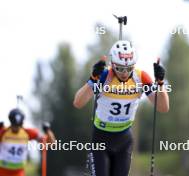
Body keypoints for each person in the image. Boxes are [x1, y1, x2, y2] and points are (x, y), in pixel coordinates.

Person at [73, 40, 169, 176]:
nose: (124, 73)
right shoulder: (104, 76)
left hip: (124, 140)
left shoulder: (141, 77)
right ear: (112, 64)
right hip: (101, 139)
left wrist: (160, 83)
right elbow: (78, 102)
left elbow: (163, 107)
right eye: (120, 68)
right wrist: (93, 79)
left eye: (129, 68)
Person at [0, 108, 56, 176]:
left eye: (18, 125)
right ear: (10, 122)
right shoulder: (3, 132)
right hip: (2, 172)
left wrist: (48, 130)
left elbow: (52, 143)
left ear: (22, 123)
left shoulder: (27, 132)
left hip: (19, 173)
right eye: (14, 125)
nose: (16, 128)